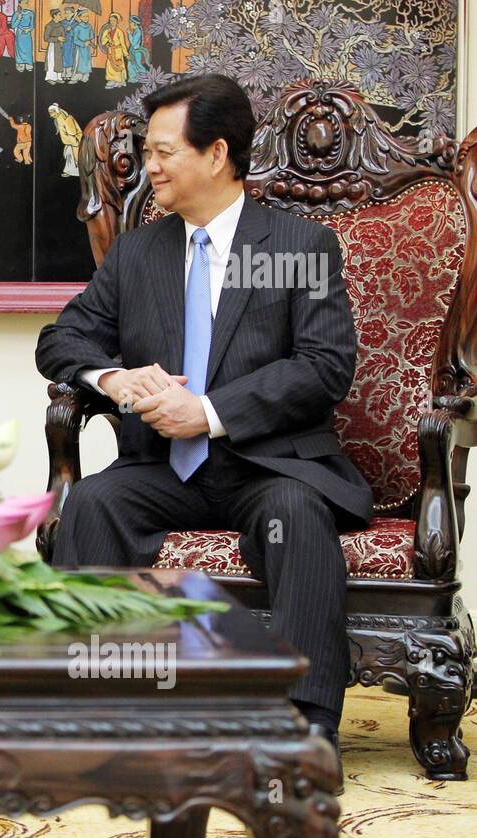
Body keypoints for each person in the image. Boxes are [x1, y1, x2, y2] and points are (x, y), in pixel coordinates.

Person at [34, 75, 368, 786]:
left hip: (268, 467)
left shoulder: (300, 246)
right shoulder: (138, 253)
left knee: (297, 517)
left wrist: (210, 412)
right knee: (90, 504)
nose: (149, 167)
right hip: (165, 470)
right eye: (145, 152)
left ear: (216, 153)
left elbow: (323, 367)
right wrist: (113, 380)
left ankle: (307, 729)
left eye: (162, 152)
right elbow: (60, 341)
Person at [47, 102, 81, 177]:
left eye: (51, 113)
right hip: (69, 141)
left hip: (74, 140)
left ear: (56, 111)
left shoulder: (66, 118)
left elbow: (73, 133)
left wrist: (74, 144)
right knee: (68, 154)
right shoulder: (58, 118)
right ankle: (70, 171)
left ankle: (78, 171)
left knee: (74, 156)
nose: (50, 115)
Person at [99, 11, 130, 88]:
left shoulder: (120, 32)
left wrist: (126, 54)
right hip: (110, 51)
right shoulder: (107, 31)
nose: (112, 22)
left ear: (117, 22)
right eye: (111, 21)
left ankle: (118, 81)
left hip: (118, 51)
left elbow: (123, 44)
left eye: (114, 21)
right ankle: (111, 80)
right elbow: (102, 42)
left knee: (118, 65)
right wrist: (107, 41)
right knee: (109, 66)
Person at [10, 0, 34, 72]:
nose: (26, 4)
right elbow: (13, 25)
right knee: (19, 49)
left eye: (27, 3)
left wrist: (29, 29)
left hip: (27, 34)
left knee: (28, 49)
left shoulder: (31, 13)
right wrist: (18, 19)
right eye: (24, 3)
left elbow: (32, 26)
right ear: (20, 4)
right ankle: (20, 63)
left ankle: (28, 63)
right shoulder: (16, 13)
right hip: (19, 33)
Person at [43, 8, 65, 83]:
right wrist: (57, 38)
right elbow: (46, 38)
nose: (61, 16)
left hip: (59, 47)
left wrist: (63, 37)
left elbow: (64, 37)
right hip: (52, 47)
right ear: (54, 16)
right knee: (52, 62)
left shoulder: (61, 26)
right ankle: (50, 78)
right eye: (59, 15)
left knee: (59, 62)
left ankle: (58, 77)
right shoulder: (49, 26)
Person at [127, 15, 149, 82]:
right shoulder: (135, 31)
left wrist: (129, 34)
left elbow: (133, 43)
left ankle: (145, 77)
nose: (129, 24)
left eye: (130, 23)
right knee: (131, 65)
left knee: (138, 65)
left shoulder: (138, 32)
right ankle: (133, 79)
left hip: (136, 51)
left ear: (134, 24)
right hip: (133, 51)